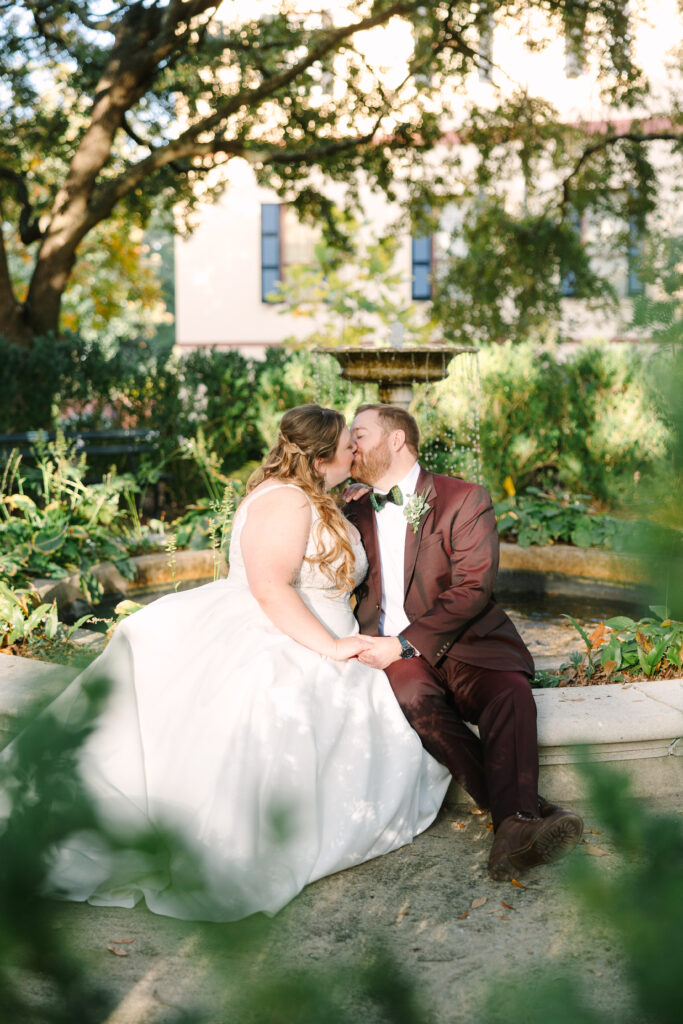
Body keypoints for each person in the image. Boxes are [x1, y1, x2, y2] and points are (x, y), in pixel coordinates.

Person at [36, 405, 450, 921]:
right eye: (348, 443)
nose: (355, 450)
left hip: (318, 627)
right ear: (322, 455)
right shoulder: (285, 501)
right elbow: (270, 587)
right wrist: (332, 647)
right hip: (287, 631)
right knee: (290, 700)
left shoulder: (317, 498)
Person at [344, 404, 583, 881]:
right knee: (413, 696)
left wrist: (407, 642)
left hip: (468, 641)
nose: (352, 446)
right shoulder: (351, 507)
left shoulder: (463, 498)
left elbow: (473, 587)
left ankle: (509, 827)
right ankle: (520, 821)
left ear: (396, 440)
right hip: (392, 651)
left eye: (360, 435)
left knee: (510, 696)